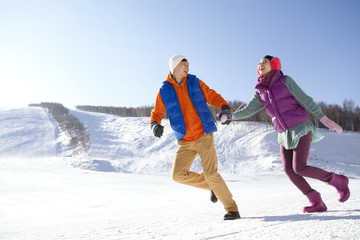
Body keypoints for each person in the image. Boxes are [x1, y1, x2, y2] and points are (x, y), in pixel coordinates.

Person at [225, 55, 350, 213]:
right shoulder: (260, 91)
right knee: (289, 170)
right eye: (259, 63)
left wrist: (323, 118)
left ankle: (337, 180)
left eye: (265, 61)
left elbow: (305, 100)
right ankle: (316, 201)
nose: (261, 64)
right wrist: (231, 116)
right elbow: (248, 110)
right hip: (283, 133)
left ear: (274, 64)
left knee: (300, 167)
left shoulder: (285, 81)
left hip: (300, 128)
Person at [150, 55, 240, 220]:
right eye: (185, 64)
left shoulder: (194, 82)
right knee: (178, 175)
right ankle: (212, 186)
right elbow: (157, 112)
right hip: (185, 141)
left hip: (203, 135)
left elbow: (212, 95)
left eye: (189, 65)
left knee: (211, 173)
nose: (188, 67)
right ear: (175, 66)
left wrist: (225, 107)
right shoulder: (164, 90)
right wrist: (154, 124)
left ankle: (232, 209)